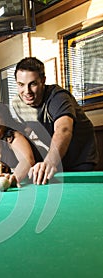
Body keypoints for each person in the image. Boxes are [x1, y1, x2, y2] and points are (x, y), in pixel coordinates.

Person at [12, 57, 98, 185]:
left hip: (80, 157)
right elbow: (22, 135)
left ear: (43, 81)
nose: (27, 91)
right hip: (57, 158)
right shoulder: (17, 104)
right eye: (21, 85)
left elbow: (63, 129)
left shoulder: (58, 97)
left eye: (33, 84)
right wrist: (16, 171)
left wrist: (50, 162)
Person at [0, 102, 37, 187]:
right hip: (31, 182)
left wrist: (14, 177)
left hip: (51, 177)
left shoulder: (13, 137)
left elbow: (27, 161)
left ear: (5, 126)